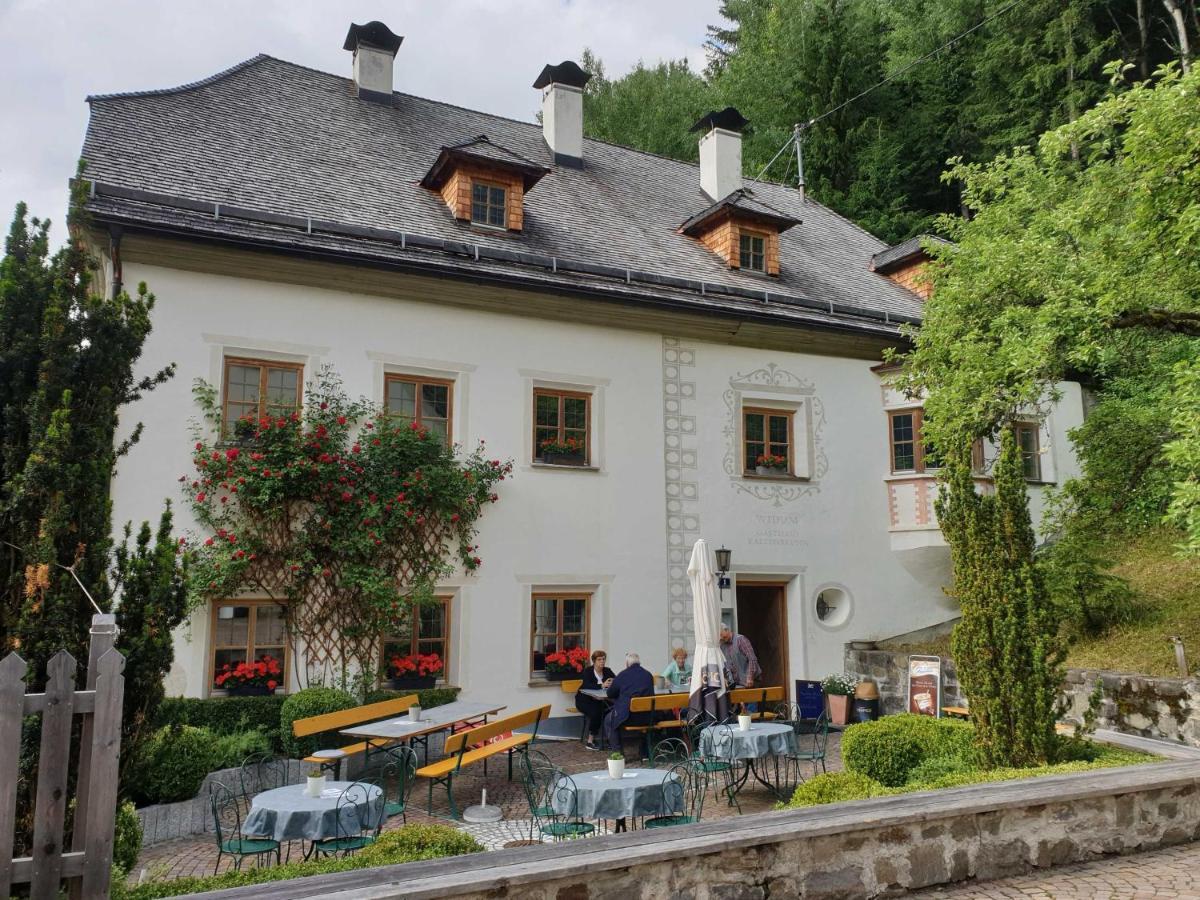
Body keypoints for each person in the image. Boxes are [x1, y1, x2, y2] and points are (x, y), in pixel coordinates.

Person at [602, 651, 655, 756]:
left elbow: (610, 693)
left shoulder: (622, 675)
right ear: (639, 663)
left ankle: (618, 754)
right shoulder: (648, 675)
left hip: (628, 717)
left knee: (608, 720)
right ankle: (645, 753)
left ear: (627, 664)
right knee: (643, 723)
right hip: (648, 717)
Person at [576, 649, 615, 750]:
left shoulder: (607, 670)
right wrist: (602, 685)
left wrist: (612, 682)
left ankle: (611, 739)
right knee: (596, 712)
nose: (602, 661)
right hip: (584, 700)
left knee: (612, 711)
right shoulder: (588, 671)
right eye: (599, 659)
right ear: (594, 661)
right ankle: (590, 741)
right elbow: (586, 685)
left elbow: (616, 680)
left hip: (602, 699)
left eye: (603, 659)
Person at [720, 624, 762, 689]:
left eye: (723, 636)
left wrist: (750, 677)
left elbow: (752, 659)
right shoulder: (722, 645)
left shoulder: (741, 640)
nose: (722, 638)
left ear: (727, 630)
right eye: (720, 637)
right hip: (738, 683)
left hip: (752, 681)